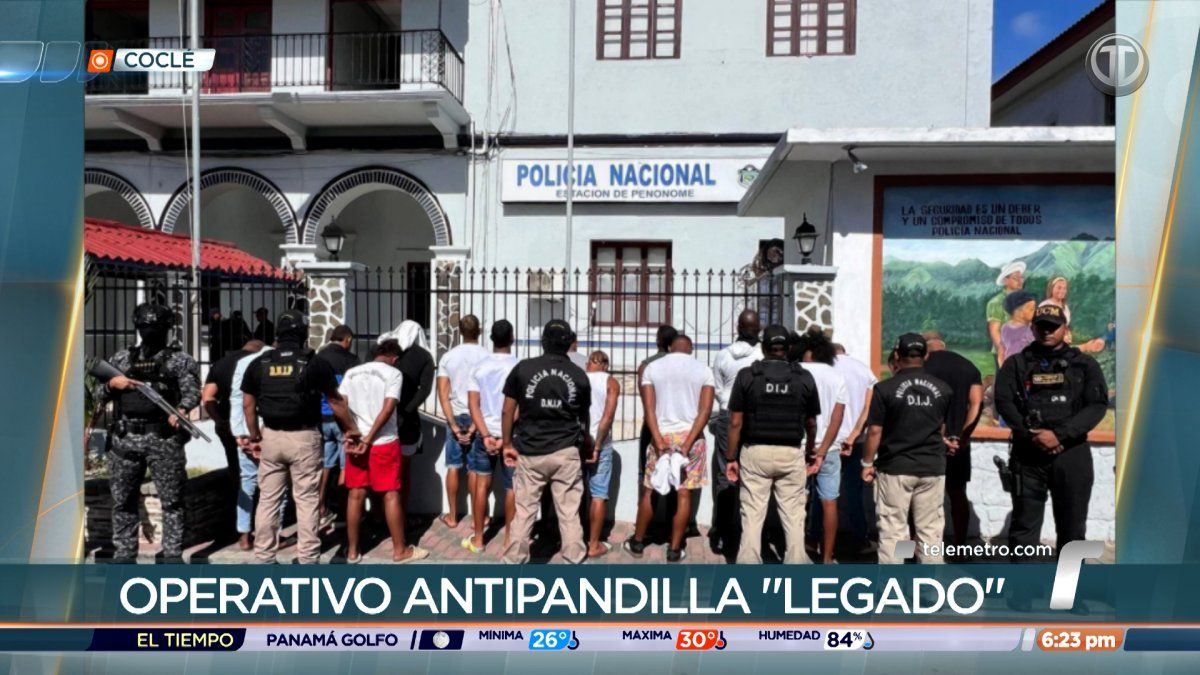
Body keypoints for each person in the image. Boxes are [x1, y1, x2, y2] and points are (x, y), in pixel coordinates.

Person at [240, 310, 360, 564]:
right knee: (306, 500)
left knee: (268, 500)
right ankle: (307, 559)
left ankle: (264, 557)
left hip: (271, 436)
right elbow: (335, 402)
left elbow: (248, 403)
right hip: (304, 438)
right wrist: (351, 428)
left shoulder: (260, 363)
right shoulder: (312, 362)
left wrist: (255, 436)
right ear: (303, 333)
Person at [994, 304, 1108, 554]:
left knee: (1072, 527)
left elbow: (1096, 405)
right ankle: (1023, 589)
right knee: (1024, 526)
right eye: (1042, 326)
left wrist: (1059, 435)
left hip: (1071, 454)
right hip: (1028, 455)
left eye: (1053, 327)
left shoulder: (1084, 365)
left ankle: (1068, 589)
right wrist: (1031, 434)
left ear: (1065, 329)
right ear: (1033, 328)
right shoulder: (1015, 364)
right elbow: (1004, 402)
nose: (1047, 331)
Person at [94, 303, 200, 563]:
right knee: (122, 502)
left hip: (163, 439)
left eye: (155, 327)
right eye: (144, 326)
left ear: (166, 328)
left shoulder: (179, 360)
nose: (149, 331)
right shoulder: (122, 359)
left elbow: (192, 392)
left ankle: (172, 554)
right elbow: (97, 395)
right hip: (125, 439)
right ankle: (124, 554)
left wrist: (183, 410)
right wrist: (112, 384)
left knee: (172, 501)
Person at [724, 325, 821, 564]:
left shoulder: (748, 375)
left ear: (764, 348)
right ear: (788, 349)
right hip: (790, 452)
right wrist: (810, 451)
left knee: (753, 517)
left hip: (755, 452)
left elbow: (735, 423)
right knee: (794, 516)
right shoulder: (804, 378)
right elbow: (811, 423)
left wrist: (730, 458)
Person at [501, 320, 593, 565]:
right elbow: (583, 416)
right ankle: (573, 560)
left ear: (543, 341)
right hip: (566, 451)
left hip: (531, 451)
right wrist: (586, 442)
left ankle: (514, 561)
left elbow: (507, 411)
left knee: (524, 511)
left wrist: (507, 443)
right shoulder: (579, 375)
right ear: (569, 344)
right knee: (569, 512)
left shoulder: (523, 369)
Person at [862, 333, 956, 564]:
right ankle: (929, 589)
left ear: (897, 355)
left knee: (895, 529)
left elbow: (875, 431)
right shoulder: (943, 389)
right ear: (925, 355)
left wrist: (866, 462)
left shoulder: (884, 389)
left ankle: (895, 588)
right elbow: (942, 428)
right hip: (931, 468)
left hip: (896, 468)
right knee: (930, 532)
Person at [625, 334, 715, 562]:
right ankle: (675, 549)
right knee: (683, 494)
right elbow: (705, 411)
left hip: (661, 435)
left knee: (650, 489)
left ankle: (637, 542)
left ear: (669, 347)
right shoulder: (703, 370)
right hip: (691, 439)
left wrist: (658, 440)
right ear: (691, 349)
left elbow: (649, 409)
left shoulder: (652, 369)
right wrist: (686, 444)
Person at [339, 340, 428, 564]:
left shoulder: (352, 372)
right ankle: (400, 551)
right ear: (394, 358)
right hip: (383, 442)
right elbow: (389, 408)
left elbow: (339, 404)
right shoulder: (393, 374)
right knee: (391, 494)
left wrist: (350, 431)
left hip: (357, 440)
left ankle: (351, 551)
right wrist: (369, 439)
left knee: (355, 494)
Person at [922, 331, 984, 548]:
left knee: (918, 496)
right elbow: (976, 403)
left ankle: (914, 550)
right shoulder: (968, 367)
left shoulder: (924, 367)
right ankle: (959, 547)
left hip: (926, 442)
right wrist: (964, 436)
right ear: (944, 346)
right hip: (958, 443)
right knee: (957, 494)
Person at [708, 310, 762, 557]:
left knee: (724, 473)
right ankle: (748, 532)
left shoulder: (722, 355)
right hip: (754, 417)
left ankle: (721, 532)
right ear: (758, 327)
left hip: (728, 417)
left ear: (738, 326)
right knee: (754, 475)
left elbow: (719, 390)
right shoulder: (763, 355)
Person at [464, 320, 519, 553]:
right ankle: (508, 539)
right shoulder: (519, 367)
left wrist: (486, 435)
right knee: (511, 487)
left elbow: (473, 405)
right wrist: (503, 437)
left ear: (491, 339)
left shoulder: (479, 367)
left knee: (481, 485)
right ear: (512, 338)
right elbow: (519, 407)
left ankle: (478, 539)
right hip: (510, 435)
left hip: (484, 435)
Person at [796, 329, 847, 564]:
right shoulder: (836, 377)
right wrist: (824, 450)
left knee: (795, 502)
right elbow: (837, 418)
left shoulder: (796, 372)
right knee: (829, 502)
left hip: (799, 445)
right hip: (830, 449)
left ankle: (797, 552)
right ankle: (827, 558)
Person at [201, 338, 262, 535]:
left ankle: (239, 526)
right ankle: (256, 525)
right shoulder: (260, 361)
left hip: (228, 426)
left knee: (237, 473)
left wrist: (219, 421)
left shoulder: (221, 363)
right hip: (253, 427)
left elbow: (208, 397)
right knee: (262, 476)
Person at [435, 315, 489, 529]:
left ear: (460, 331)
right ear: (480, 331)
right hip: (479, 415)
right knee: (476, 469)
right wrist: (477, 425)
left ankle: (453, 516)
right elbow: (487, 393)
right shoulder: (487, 357)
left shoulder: (448, 357)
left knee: (454, 466)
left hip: (455, 415)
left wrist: (453, 425)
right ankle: (481, 517)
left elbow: (443, 393)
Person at [384, 321, 435, 511]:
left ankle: (379, 515)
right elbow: (425, 389)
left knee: (383, 471)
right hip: (407, 421)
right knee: (404, 472)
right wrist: (408, 410)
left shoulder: (383, 350)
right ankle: (401, 514)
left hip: (381, 417)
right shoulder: (424, 356)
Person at [832, 345, 878, 549]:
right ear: (845, 352)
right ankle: (860, 539)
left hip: (829, 439)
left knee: (823, 493)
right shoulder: (862, 369)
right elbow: (869, 408)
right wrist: (854, 435)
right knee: (854, 491)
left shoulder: (825, 368)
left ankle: (817, 540)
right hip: (857, 439)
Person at [228, 340, 272, 551]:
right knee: (274, 488)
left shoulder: (242, 363)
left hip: (245, 434)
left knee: (247, 484)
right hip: (268, 432)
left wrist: (241, 434)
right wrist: (259, 436)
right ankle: (271, 535)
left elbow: (238, 400)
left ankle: (244, 536)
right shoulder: (273, 360)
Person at [315, 325, 359, 528]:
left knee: (325, 466)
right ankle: (343, 513)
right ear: (347, 339)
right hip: (341, 421)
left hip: (321, 420)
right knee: (344, 467)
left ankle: (320, 507)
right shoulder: (350, 360)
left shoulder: (318, 357)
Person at [584, 350, 620, 558]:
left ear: (591, 363)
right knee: (598, 495)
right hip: (601, 443)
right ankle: (594, 544)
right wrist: (597, 445)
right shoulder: (611, 382)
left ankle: (574, 539)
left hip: (578, 442)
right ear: (605, 365)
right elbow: (608, 416)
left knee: (574, 492)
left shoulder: (578, 378)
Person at [1041, 277, 1106, 353]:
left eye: (1064, 288)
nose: (1062, 291)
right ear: (1051, 288)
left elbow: (1065, 325)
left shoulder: (1065, 307)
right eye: (1059, 287)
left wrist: (1068, 334)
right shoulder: (1045, 306)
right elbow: (1043, 330)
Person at [987, 261, 1026, 368]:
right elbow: (994, 330)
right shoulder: (997, 302)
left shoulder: (1024, 301)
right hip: (1005, 352)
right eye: (1015, 278)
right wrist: (1002, 350)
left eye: (1021, 278)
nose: (1020, 281)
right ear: (1005, 280)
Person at [1000, 291, 1038, 365]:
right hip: (1013, 367)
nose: (1035, 311)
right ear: (1019, 312)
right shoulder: (1005, 328)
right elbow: (1002, 350)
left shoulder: (1033, 327)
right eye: (1032, 309)